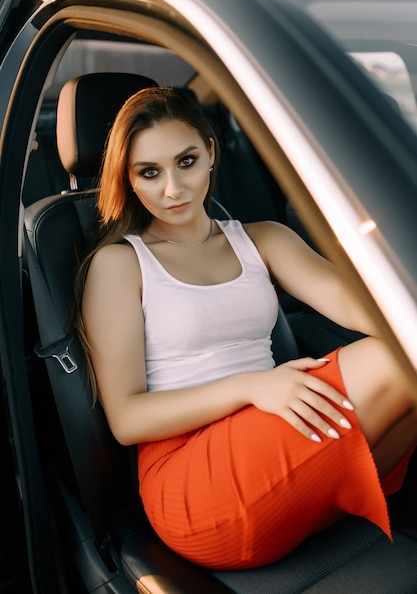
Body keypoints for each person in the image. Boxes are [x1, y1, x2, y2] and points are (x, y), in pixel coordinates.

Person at [75, 86, 417, 570]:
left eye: (186, 161)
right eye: (149, 173)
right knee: (395, 360)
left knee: (407, 345)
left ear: (211, 152)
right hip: (191, 482)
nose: (173, 189)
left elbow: (356, 304)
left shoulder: (263, 239)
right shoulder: (120, 264)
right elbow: (128, 420)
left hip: (274, 445)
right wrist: (252, 387)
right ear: (128, 179)